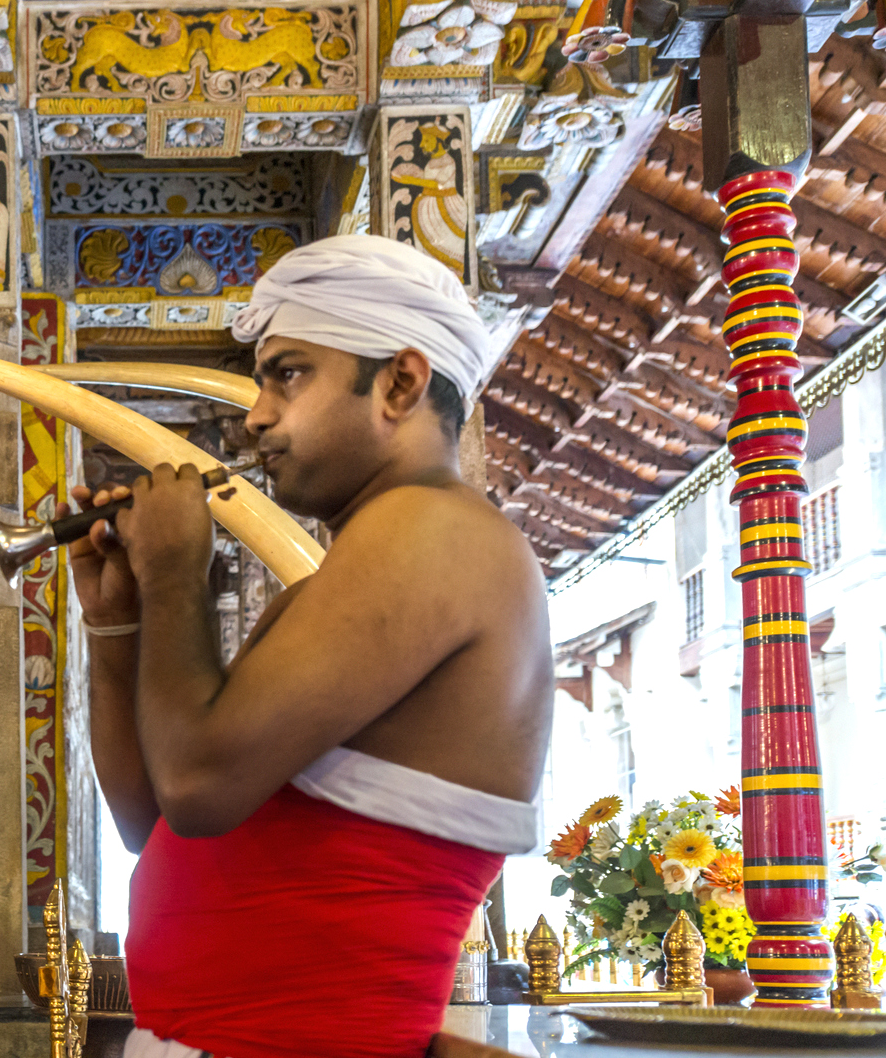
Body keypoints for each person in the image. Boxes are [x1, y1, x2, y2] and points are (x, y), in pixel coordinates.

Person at [74, 235, 551, 1058]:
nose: (255, 414)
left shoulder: (434, 529)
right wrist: (120, 622)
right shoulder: (329, 584)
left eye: (288, 373)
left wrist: (180, 570)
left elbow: (197, 784)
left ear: (399, 382)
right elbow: (150, 822)